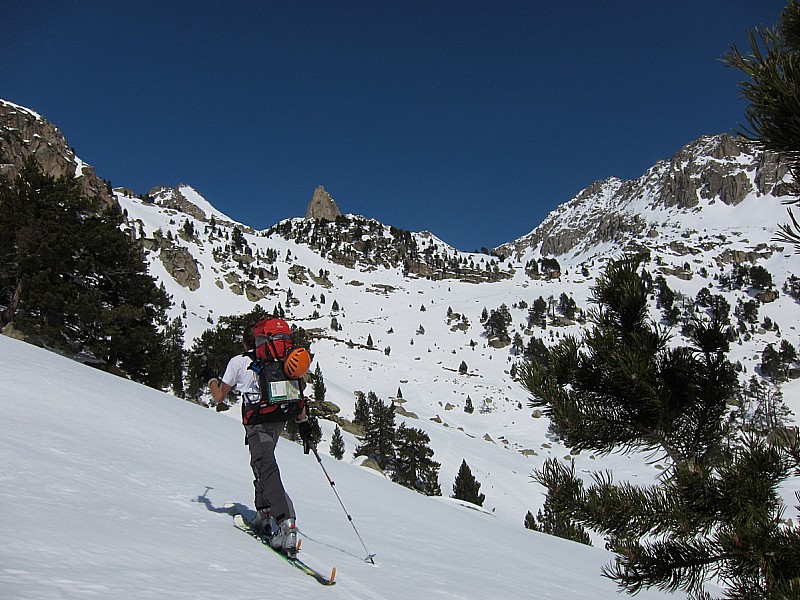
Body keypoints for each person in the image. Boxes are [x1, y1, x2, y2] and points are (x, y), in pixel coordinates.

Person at [209, 323, 313, 553]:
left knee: (265, 465)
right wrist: (303, 422)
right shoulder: (278, 361)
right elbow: (296, 391)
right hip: (279, 417)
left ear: (247, 343)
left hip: (257, 421)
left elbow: (219, 398)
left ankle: (286, 522)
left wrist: (212, 382)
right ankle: (263, 513)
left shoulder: (238, 362)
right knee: (260, 461)